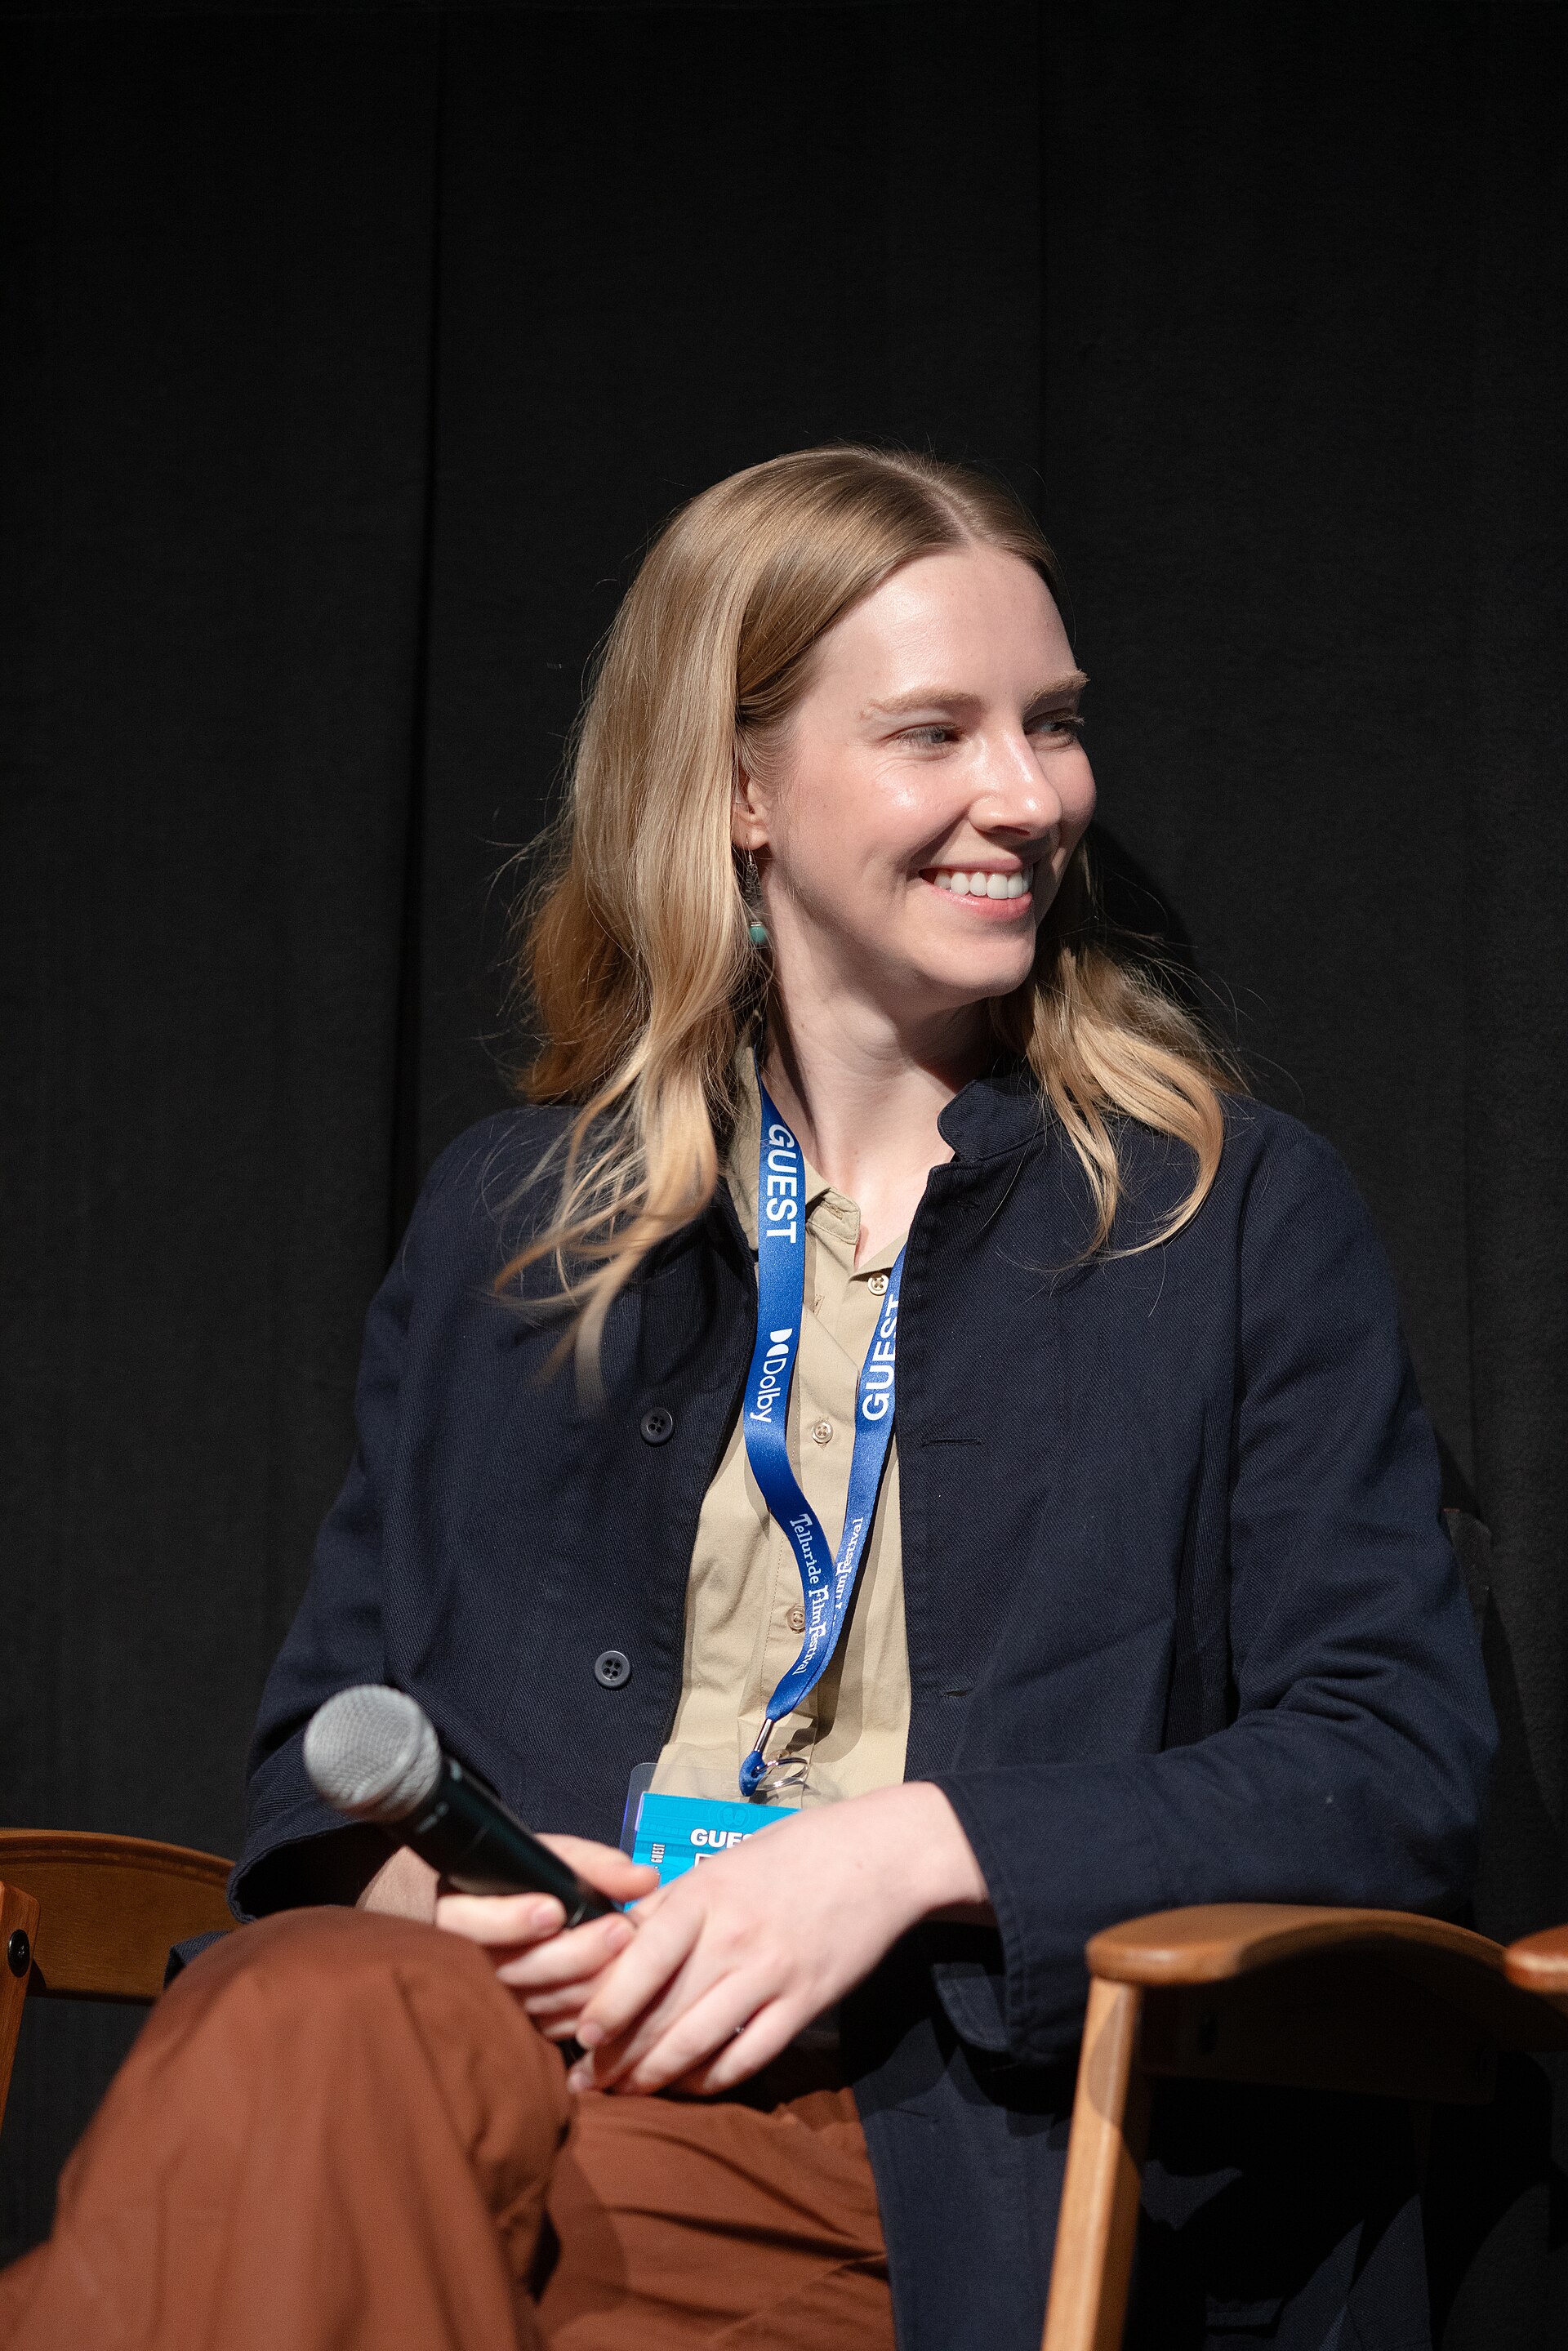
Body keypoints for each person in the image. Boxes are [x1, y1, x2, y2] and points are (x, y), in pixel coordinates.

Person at [0, 447, 1494, 2351]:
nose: (1027, 798)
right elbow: (325, 1740)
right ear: (736, 790)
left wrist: (911, 1851)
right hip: (487, 2052)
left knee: (168, 2238)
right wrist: (401, 1895)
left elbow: (1391, 1767)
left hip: (908, 2140)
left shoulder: (1225, 1215)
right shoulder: (513, 1222)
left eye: (1052, 726)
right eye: (934, 732)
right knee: (313, 2016)